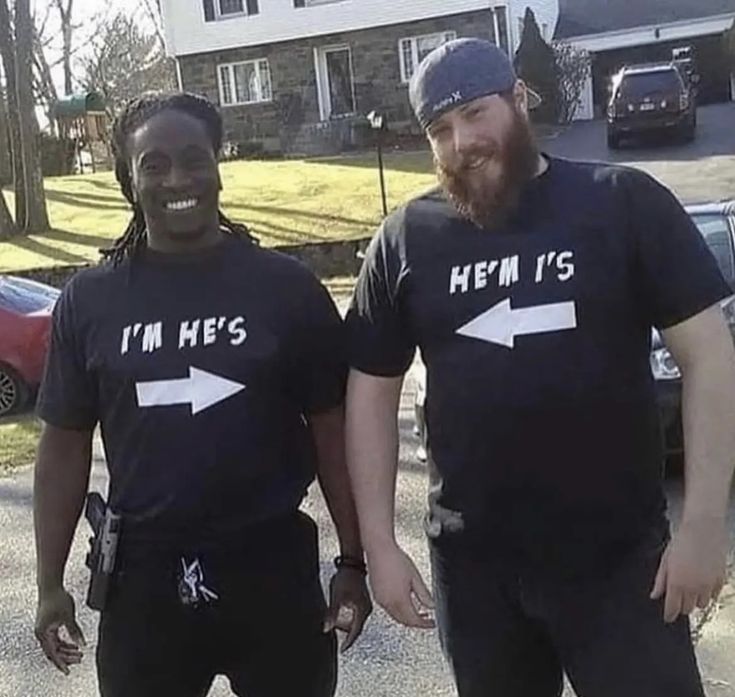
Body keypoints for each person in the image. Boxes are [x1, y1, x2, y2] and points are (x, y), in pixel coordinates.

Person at [344, 38, 735, 697]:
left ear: (519, 99)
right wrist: (379, 545)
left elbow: (708, 355)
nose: (462, 141)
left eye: (474, 113)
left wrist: (701, 523)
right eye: (440, 129)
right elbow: (369, 393)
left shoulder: (621, 200)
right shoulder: (406, 237)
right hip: (473, 569)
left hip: (618, 561)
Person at [33, 91, 372, 697]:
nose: (177, 179)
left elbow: (332, 435)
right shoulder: (90, 301)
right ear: (128, 181)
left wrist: (354, 560)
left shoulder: (286, 290)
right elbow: (63, 446)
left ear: (219, 164)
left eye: (194, 159)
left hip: (270, 568)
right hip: (143, 580)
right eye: (154, 165)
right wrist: (49, 583)